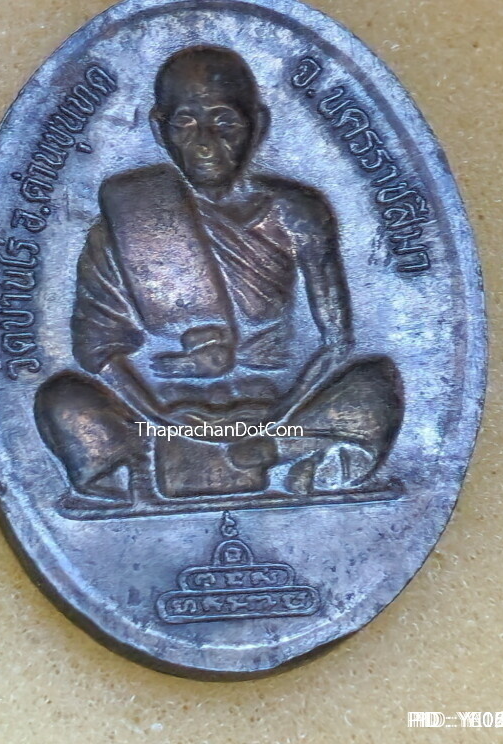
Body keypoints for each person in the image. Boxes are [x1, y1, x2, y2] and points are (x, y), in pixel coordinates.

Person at [35, 45, 402, 502]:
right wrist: (159, 416)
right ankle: (141, 468)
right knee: (62, 398)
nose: (205, 144)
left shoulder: (296, 213)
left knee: (376, 383)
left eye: (225, 123)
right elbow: (99, 349)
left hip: (278, 414)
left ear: (258, 125)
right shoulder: (129, 216)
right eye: (185, 124)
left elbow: (336, 342)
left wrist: (276, 421)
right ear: (159, 128)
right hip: (161, 420)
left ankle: (286, 454)